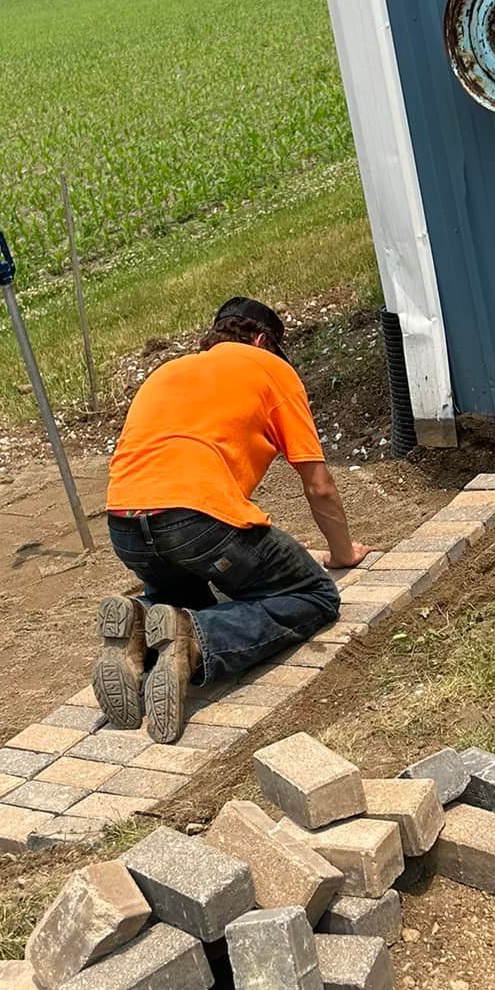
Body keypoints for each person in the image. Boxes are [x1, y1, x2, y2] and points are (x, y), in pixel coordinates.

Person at [93, 296, 369, 743]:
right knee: (314, 594)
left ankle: (140, 629)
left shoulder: (168, 372)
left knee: (182, 599)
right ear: (262, 341)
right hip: (196, 520)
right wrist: (343, 554)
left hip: (125, 524)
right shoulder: (271, 369)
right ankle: (195, 641)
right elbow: (318, 485)